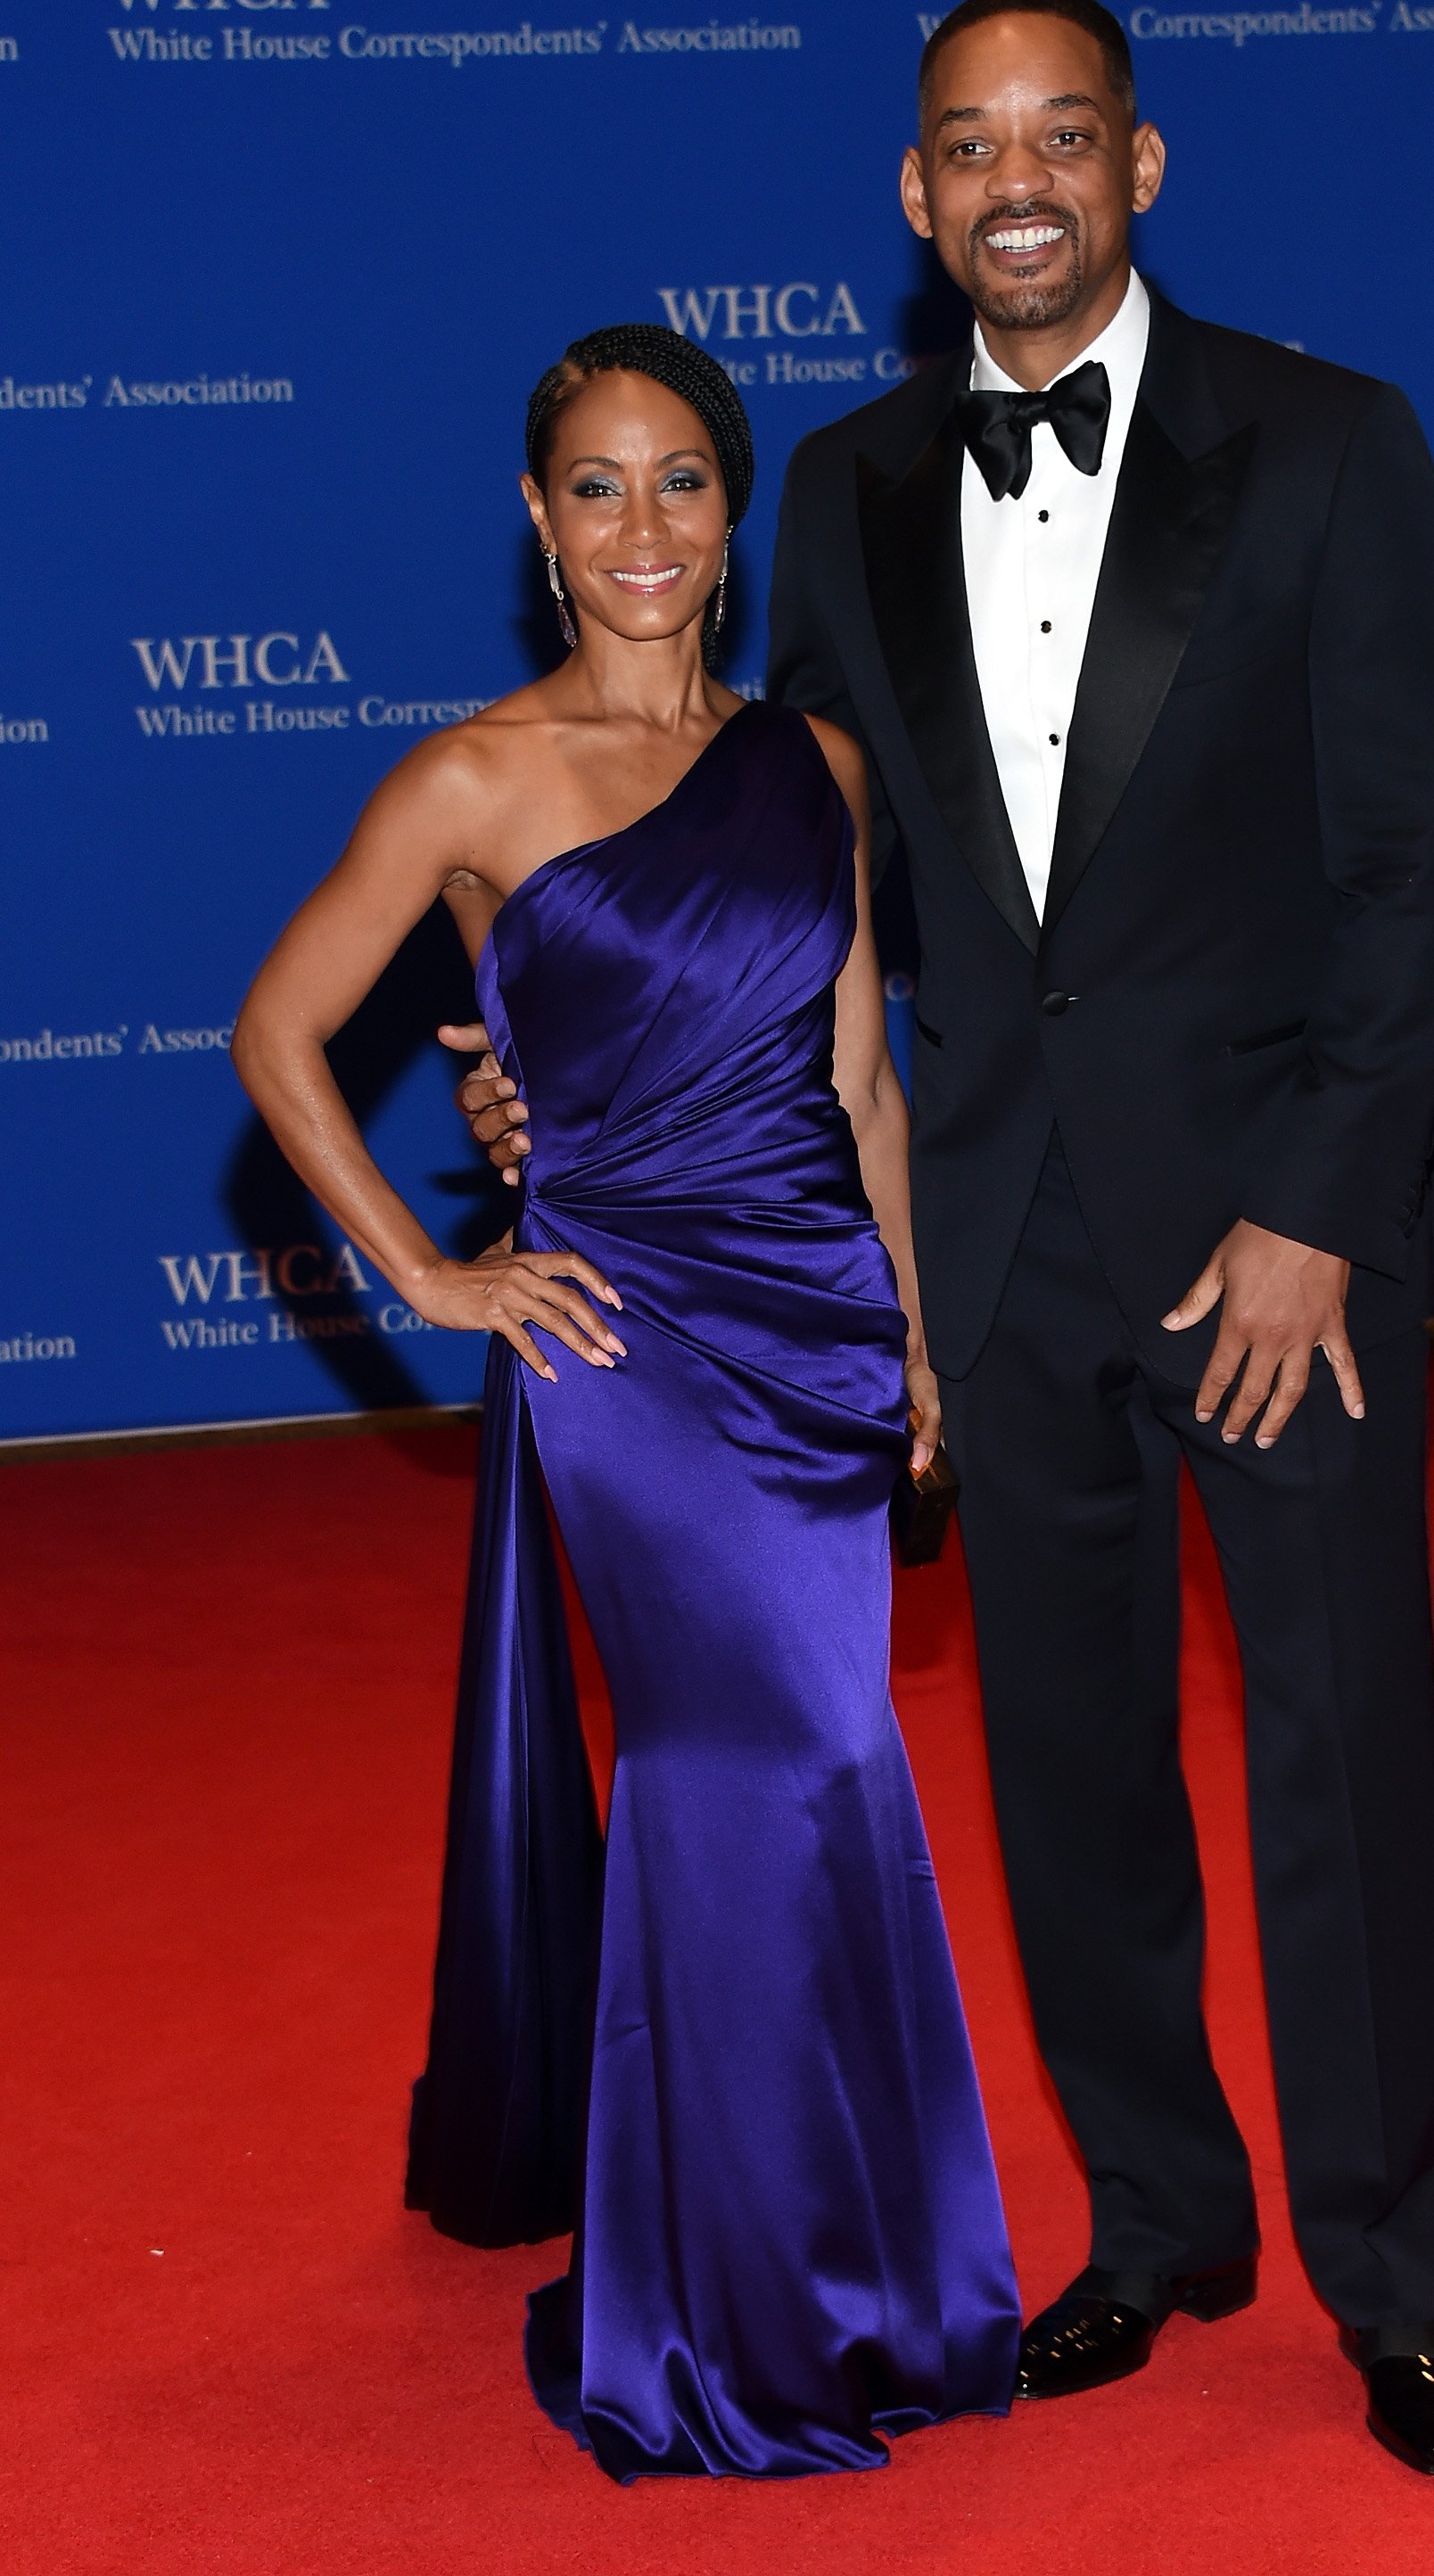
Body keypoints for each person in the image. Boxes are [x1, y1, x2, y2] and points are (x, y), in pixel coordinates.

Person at [461, 0, 1434, 2477]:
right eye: (964, 146)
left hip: (1280, 1263)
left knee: (1341, 1761)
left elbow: (1413, 873)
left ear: (1139, 167)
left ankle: (1393, 2282)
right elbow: (767, 861)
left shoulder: (1334, 448)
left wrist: (1313, 1216)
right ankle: (1154, 2221)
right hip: (998, 1250)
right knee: (1066, 1774)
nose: (1014, 181)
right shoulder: (829, 490)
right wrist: (573, 1058)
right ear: (915, 203)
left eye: (1060, 136)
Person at [231, 324, 1019, 2481]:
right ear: (533, 517)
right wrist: (430, 1270)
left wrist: (919, 1337)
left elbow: (857, 1075)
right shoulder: (473, 778)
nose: (642, 527)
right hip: (623, 1351)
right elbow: (279, 1032)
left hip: (816, 1331)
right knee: (731, 1772)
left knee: (843, 1766)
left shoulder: (812, 768)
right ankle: (728, 2316)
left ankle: (868, 2268)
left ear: (729, 507)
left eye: (681, 480)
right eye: (595, 485)